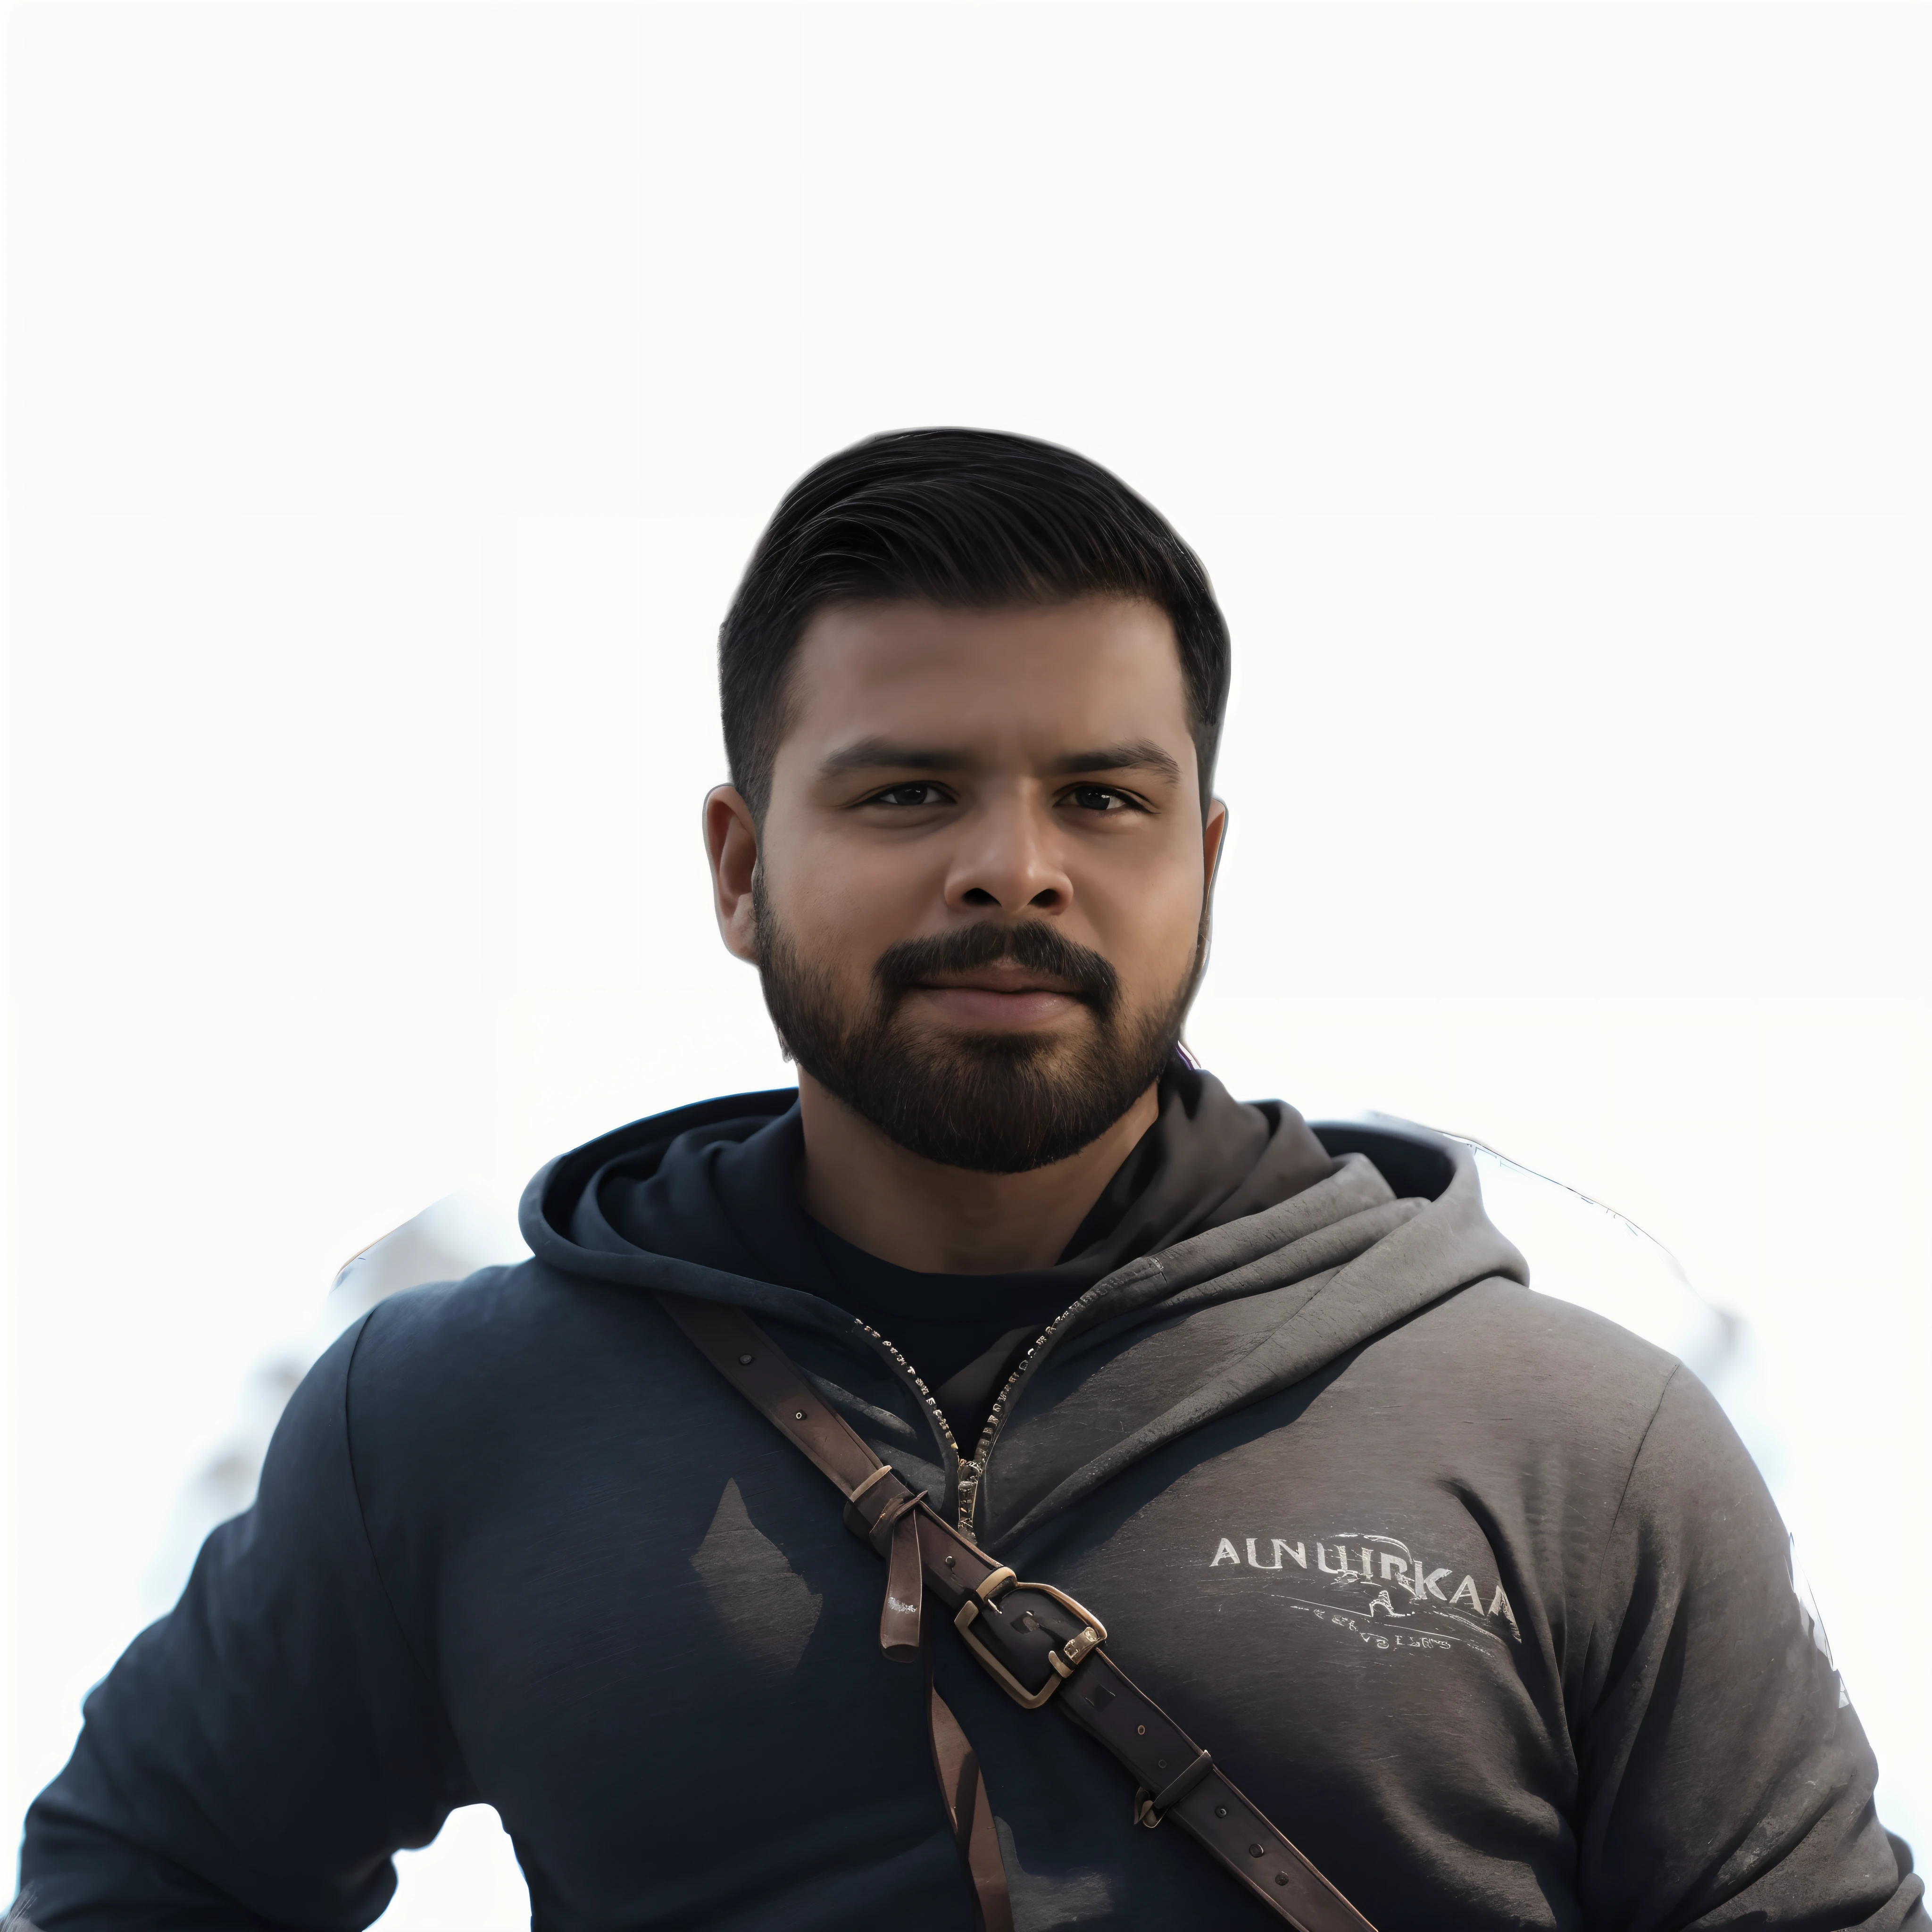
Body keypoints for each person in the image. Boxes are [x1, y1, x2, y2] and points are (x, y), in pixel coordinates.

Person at [14, 430, 1921, 1930]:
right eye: (909, 791)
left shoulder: (1580, 1443)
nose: (1015, 868)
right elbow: (143, 1883)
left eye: (1102, 796)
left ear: (1205, 856)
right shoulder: (444, 1420)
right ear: (738, 862)